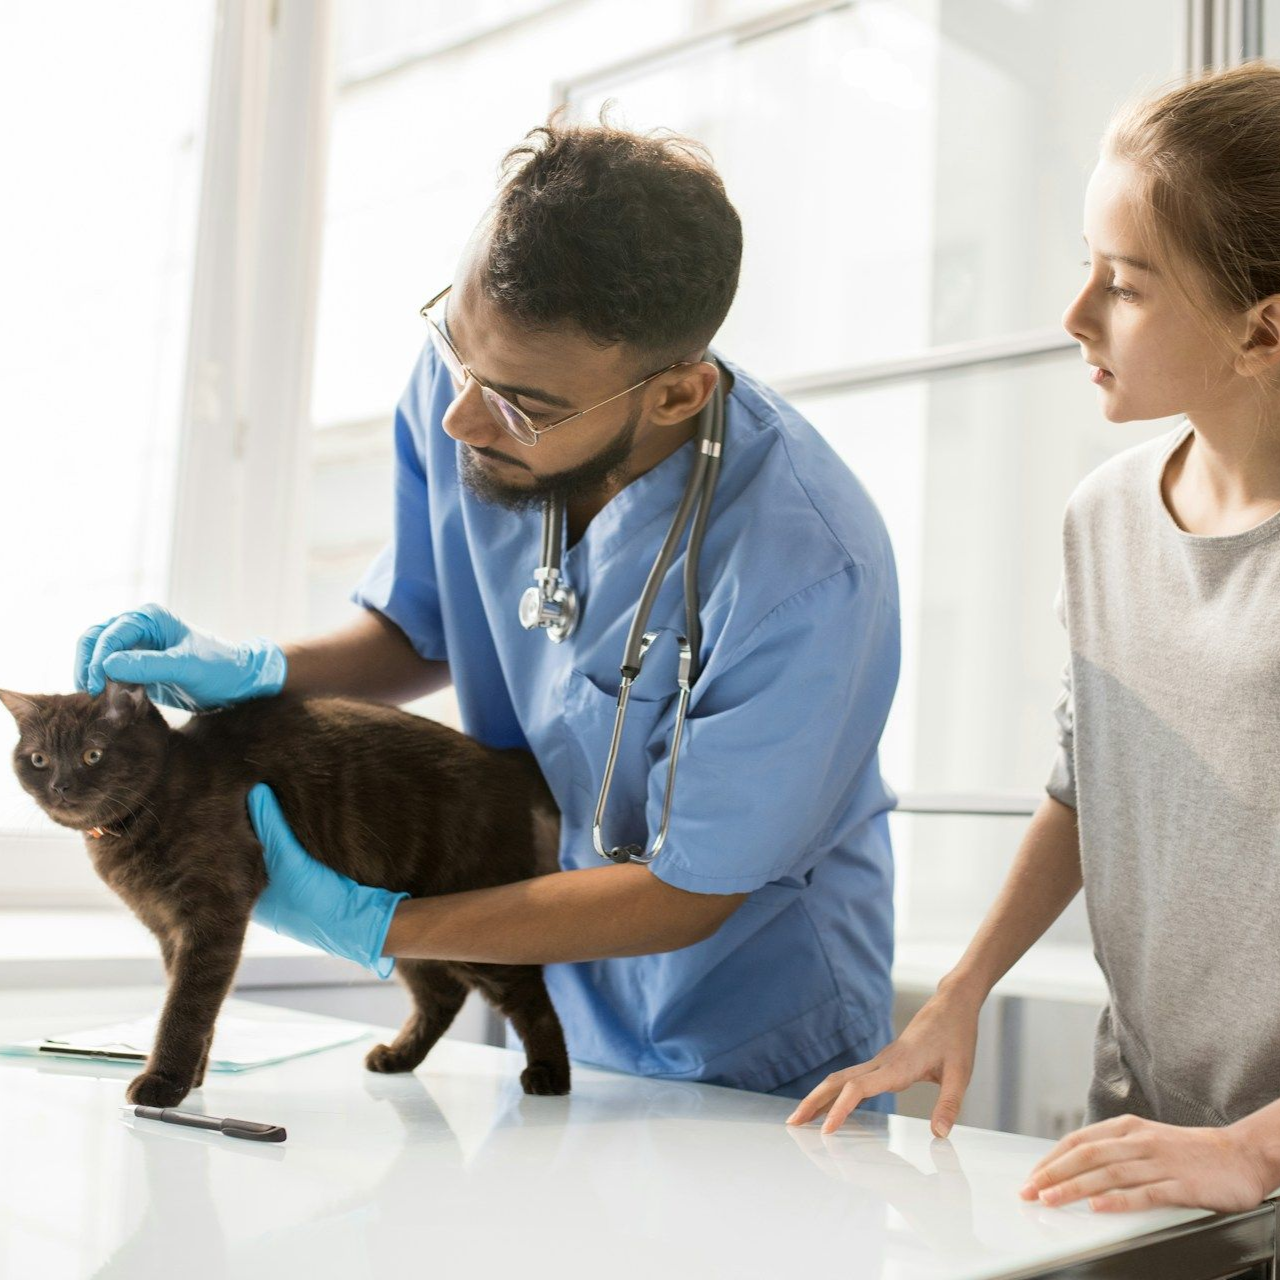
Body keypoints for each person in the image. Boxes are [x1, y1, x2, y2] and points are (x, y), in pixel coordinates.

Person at [76, 120, 902, 1102]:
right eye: (456, 350)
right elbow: (417, 624)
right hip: (555, 989)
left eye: (518, 404)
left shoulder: (807, 568)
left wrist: (382, 925)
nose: (459, 416)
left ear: (676, 393)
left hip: (761, 1039)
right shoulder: (474, 388)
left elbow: (689, 890)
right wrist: (258, 667)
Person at [787, 63, 1280, 1212]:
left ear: (1262, 326)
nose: (1074, 315)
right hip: (1150, 1131)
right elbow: (1088, 775)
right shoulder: (1101, 517)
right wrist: (958, 989)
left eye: (1123, 284)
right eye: (1083, 268)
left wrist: (1258, 1150)